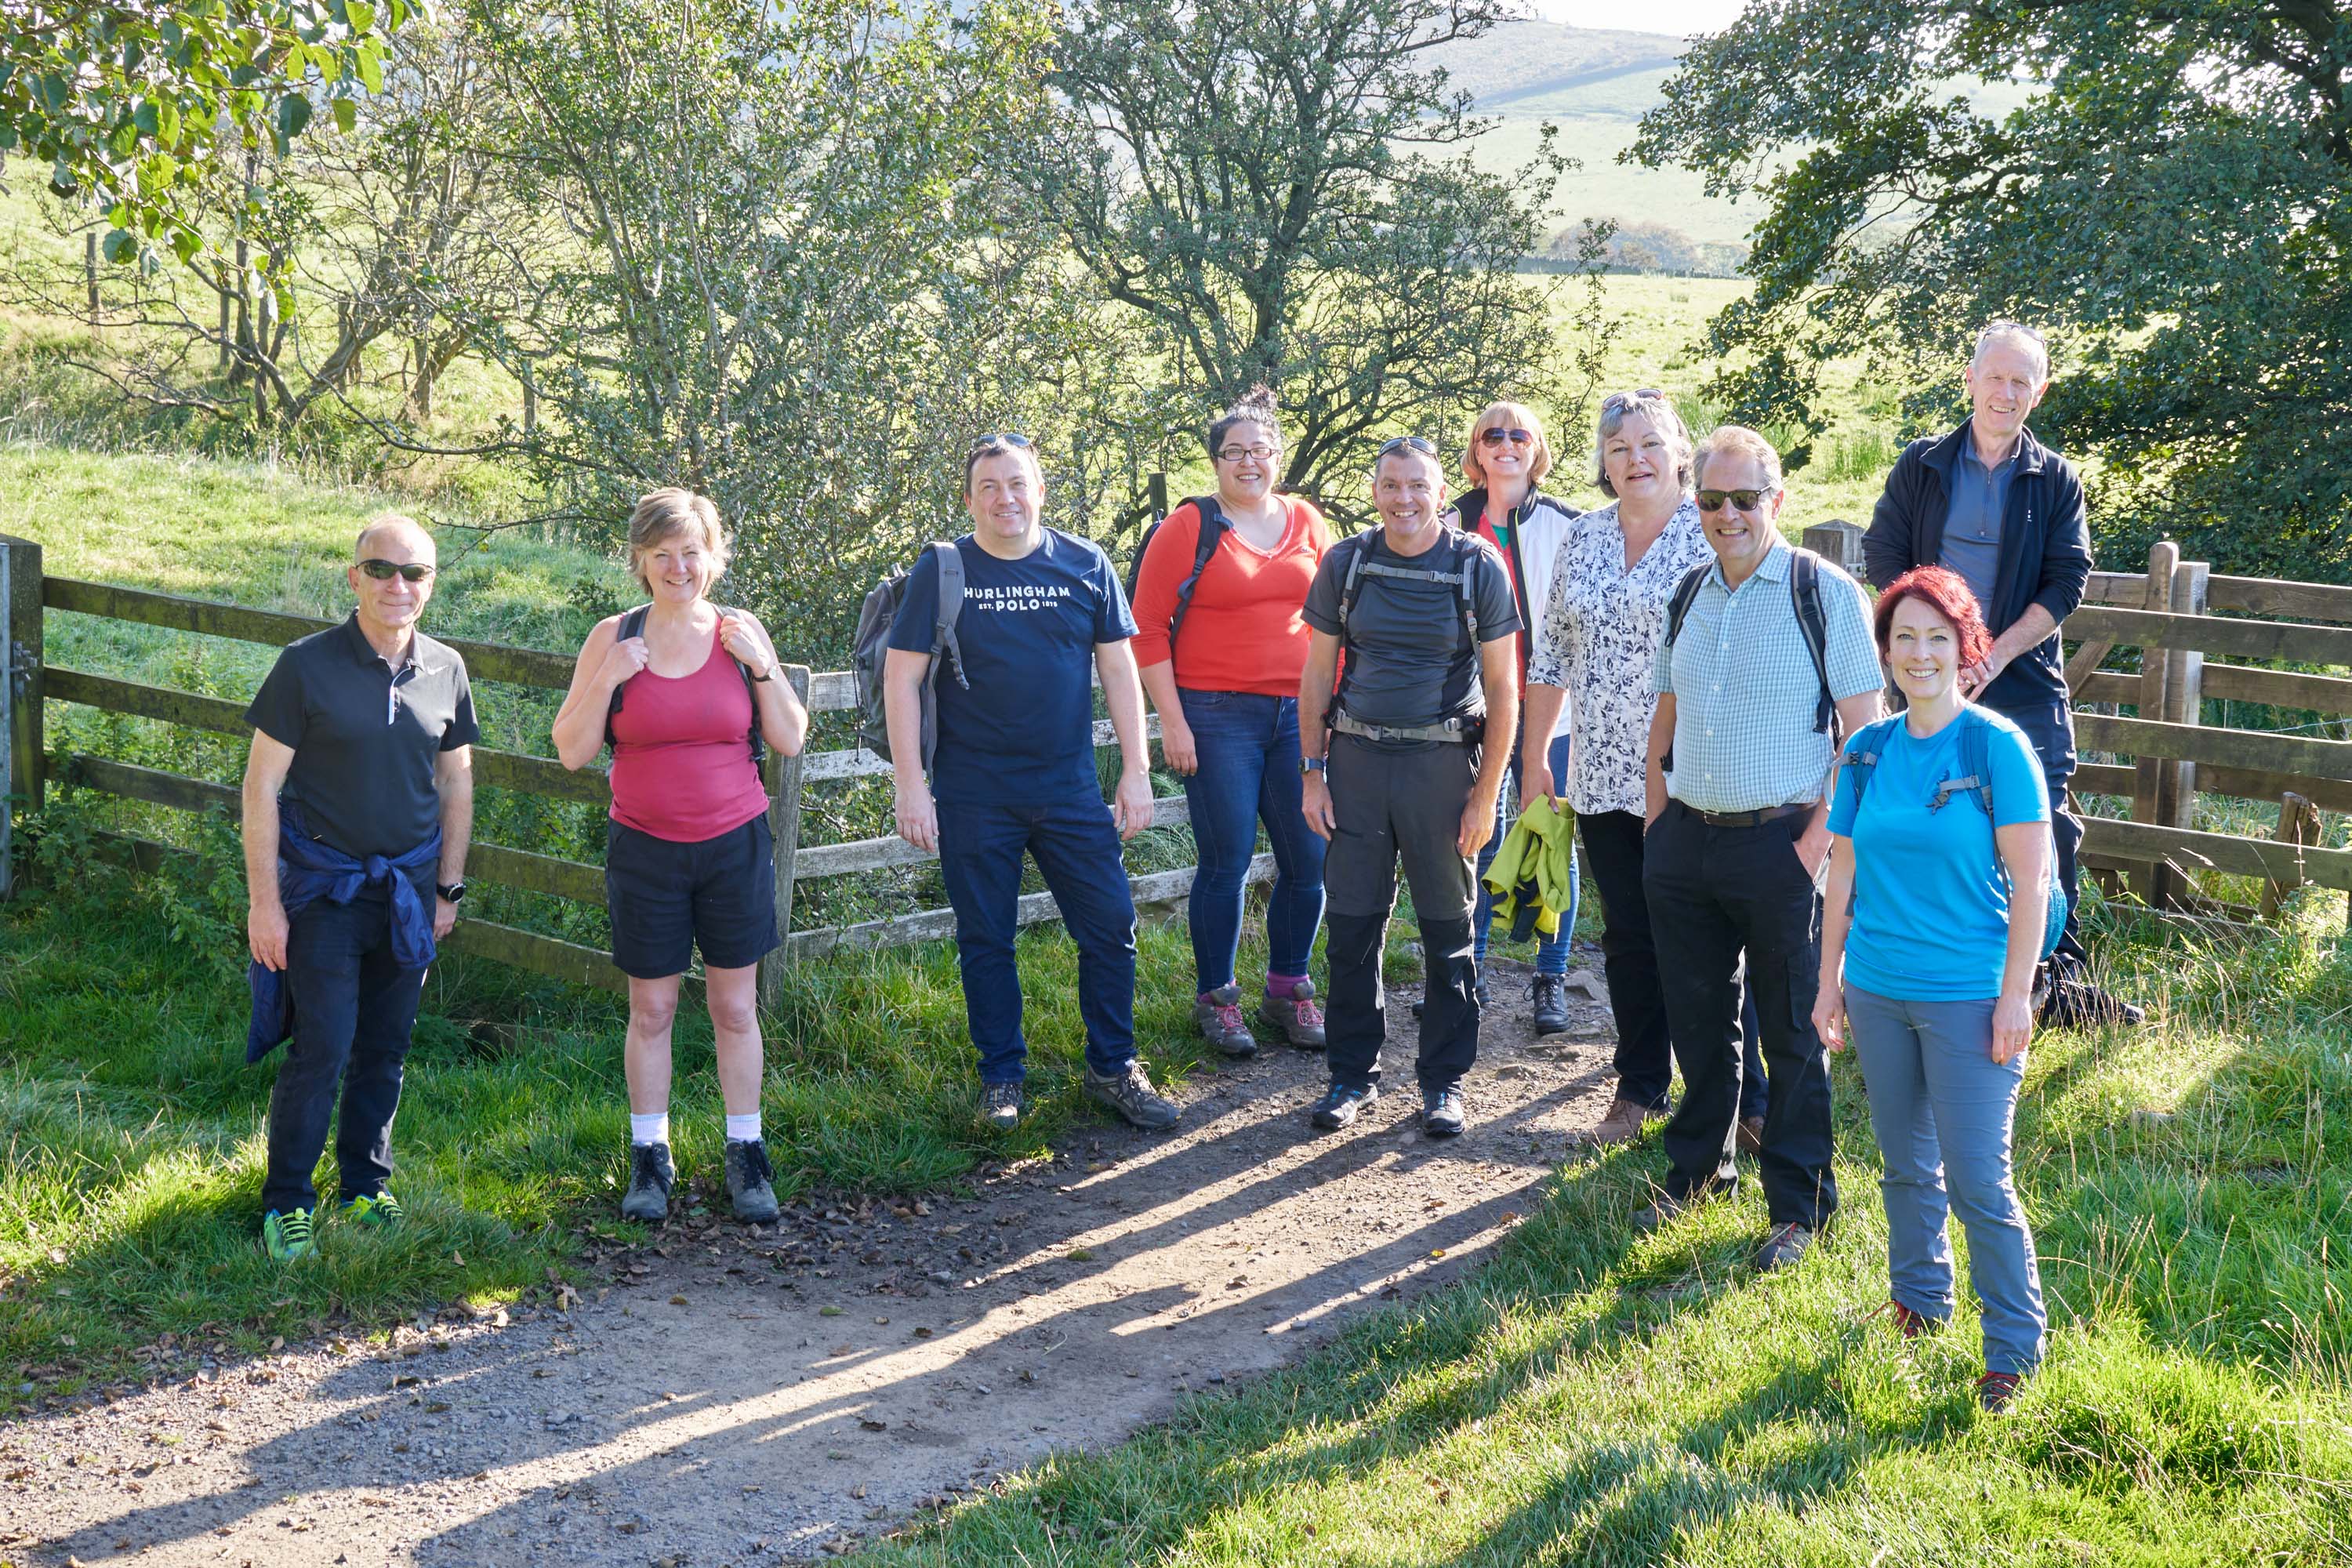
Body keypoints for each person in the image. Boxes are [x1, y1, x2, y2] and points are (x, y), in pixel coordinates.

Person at [1636, 426, 1885, 1271]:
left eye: (1746, 498)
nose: (1728, 514)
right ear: (1694, 503)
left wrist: (1816, 843)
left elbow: (1866, 734)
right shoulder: (1688, 591)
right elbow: (1664, 709)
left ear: (1776, 500)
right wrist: (1656, 815)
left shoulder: (1824, 592)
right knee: (1698, 1021)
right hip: (1686, 844)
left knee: (1792, 1029)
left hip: (1782, 845)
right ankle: (1700, 1168)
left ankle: (1800, 1207)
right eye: (1711, 500)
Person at [884, 434, 1181, 1133]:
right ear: (969, 499)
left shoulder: (1085, 564)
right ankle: (1002, 1080)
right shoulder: (944, 568)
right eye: (988, 487)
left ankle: (1114, 1067)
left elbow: (1118, 671)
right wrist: (909, 785)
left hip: (1070, 790)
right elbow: (902, 679)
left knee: (1110, 928)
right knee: (986, 938)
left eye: (1017, 484)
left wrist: (1136, 773)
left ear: (1040, 490)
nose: (1004, 499)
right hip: (972, 790)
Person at [1815, 565, 2050, 1414]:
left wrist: (2016, 995)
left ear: (1966, 646)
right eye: (1904, 637)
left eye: (1937, 636)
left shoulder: (1994, 745)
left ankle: (2013, 1350)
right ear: (1884, 652)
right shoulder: (1867, 748)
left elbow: (2032, 882)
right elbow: (1842, 870)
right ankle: (1919, 1302)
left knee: (1979, 1179)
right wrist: (1828, 981)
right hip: (1877, 987)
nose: (1920, 652)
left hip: (1970, 995)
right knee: (1904, 1163)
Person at [1861, 321, 2137, 1027]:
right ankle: (1921, 974)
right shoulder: (1921, 465)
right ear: (1971, 380)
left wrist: (1999, 650)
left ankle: (2057, 984)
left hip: (2020, 678)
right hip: (1928, 678)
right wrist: (1936, 643)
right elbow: (1884, 550)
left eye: (2022, 381)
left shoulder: (2054, 479)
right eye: (1996, 377)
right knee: (1928, 818)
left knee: (2047, 825)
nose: (2006, 392)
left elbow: (2068, 578)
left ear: (2038, 393)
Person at [1521, 390, 1772, 1149]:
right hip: (1599, 773)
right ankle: (1637, 1089)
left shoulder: (1713, 536)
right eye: (1620, 446)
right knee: (1628, 936)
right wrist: (1534, 754)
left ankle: (1748, 1100)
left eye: (1651, 444)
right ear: (1603, 461)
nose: (1635, 459)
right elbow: (1553, 651)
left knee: (1712, 940)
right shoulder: (1583, 538)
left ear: (1681, 456)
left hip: (1694, 775)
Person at [553, 488, 810, 1225]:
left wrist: (764, 667)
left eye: (690, 551)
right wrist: (609, 676)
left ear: (713, 555)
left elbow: (790, 738)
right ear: (639, 561)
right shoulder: (613, 635)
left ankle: (747, 1154)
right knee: (653, 1007)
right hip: (646, 850)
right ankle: (649, 1159)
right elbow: (572, 751)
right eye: (662, 554)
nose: (678, 566)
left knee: (735, 1008)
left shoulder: (740, 633)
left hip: (733, 847)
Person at [242, 515, 476, 1261]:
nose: (398, 586)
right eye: (381, 570)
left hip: (408, 892)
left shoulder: (447, 668)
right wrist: (264, 902)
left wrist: (449, 889)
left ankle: (365, 1185)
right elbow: (260, 787)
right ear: (354, 579)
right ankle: (287, 1202)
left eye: (414, 573)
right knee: (325, 1044)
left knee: (387, 1043)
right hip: (325, 890)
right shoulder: (305, 666)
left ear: (430, 585)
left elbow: (456, 783)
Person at [1297, 436, 1520, 1138]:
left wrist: (1485, 796)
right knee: (1352, 927)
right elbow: (1316, 676)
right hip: (1358, 764)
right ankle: (1349, 1076)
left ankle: (1445, 1083)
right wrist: (1312, 773)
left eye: (1418, 486)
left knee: (1448, 931)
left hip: (1441, 768)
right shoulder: (1347, 562)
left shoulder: (1476, 565)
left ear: (1439, 492)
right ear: (1374, 491)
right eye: (1391, 486)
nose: (1404, 500)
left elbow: (1504, 691)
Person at [1133, 387, 1334, 1056]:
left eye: (1261, 449)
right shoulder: (1189, 527)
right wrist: (1174, 721)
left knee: (1309, 858)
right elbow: (1146, 632)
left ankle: (1288, 990)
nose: (1249, 461)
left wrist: (1331, 711)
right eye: (1234, 452)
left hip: (1299, 717)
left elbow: (1334, 622)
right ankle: (1217, 999)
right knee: (1227, 862)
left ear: (1278, 455)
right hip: (1216, 716)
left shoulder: (1308, 520)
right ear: (1216, 461)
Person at [1446, 400, 1583, 1036]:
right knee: (1474, 833)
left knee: (1552, 837)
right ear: (1476, 451)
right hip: (1474, 708)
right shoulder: (1448, 525)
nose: (1505, 444)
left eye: (1518, 434)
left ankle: (1550, 978)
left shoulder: (1570, 526)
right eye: (1491, 435)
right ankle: (1465, 969)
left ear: (1537, 449)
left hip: (1551, 710)